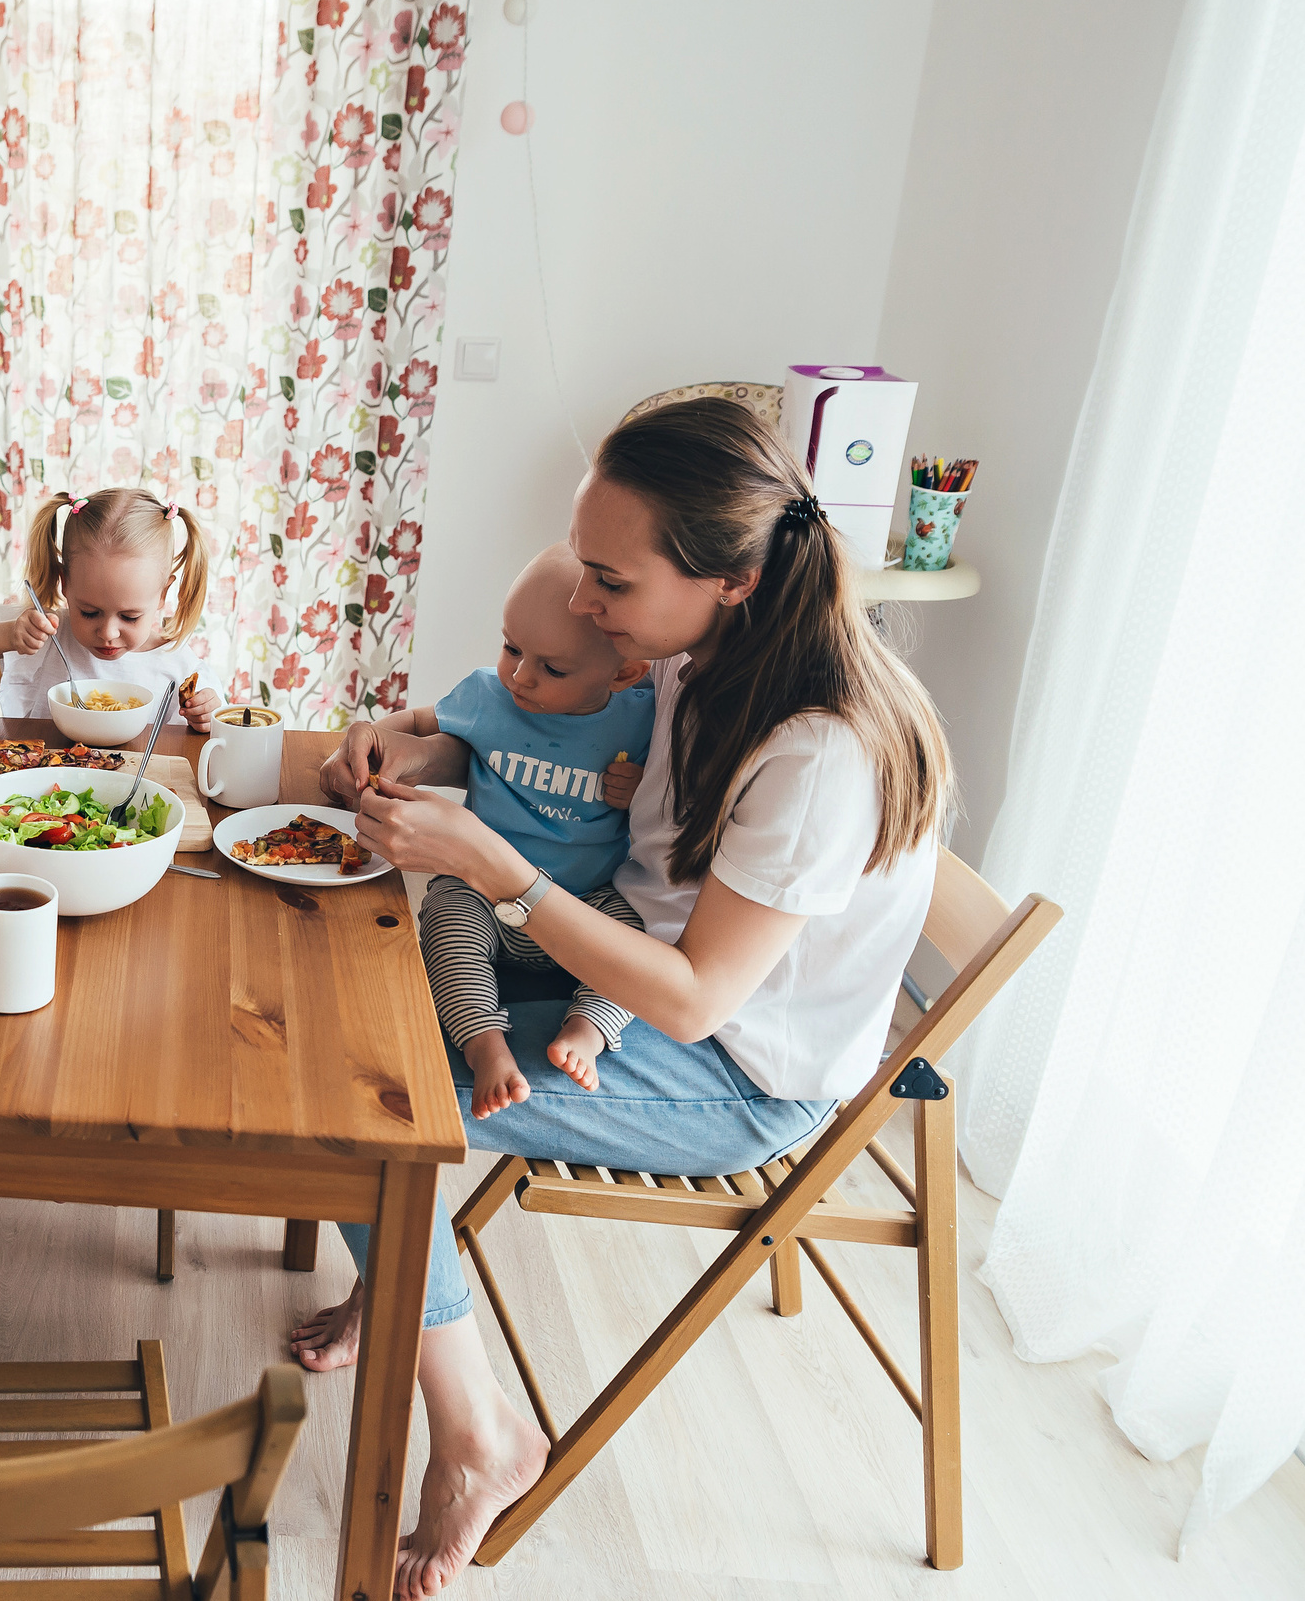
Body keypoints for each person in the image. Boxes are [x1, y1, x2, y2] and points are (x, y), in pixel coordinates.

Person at [291, 396, 952, 1597]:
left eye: (609, 579)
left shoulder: (816, 753)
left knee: (356, 1103)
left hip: (728, 1069)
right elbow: (520, 730)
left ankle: (479, 1433)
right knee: (350, 990)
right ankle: (403, 1271)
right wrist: (415, 747)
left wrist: (497, 866)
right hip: (622, 966)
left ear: (732, 578)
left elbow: (697, 998)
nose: (582, 603)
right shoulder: (692, 658)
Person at [366, 543, 655, 1109]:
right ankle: (484, 1044)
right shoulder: (489, 696)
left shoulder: (643, 718)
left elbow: (672, 804)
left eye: (551, 667)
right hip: (481, 895)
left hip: (583, 907)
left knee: (637, 933)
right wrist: (380, 732)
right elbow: (422, 719)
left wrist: (642, 787)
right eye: (510, 647)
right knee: (445, 918)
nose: (520, 676)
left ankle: (588, 1032)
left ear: (624, 673)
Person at [0, 486, 220, 730]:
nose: (108, 632)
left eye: (130, 616)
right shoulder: (47, 634)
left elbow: (218, 727)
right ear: (65, 583)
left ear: (162, 595)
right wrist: (9, 635)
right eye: (89, 612)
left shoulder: (178, 666)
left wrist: (204, 716)